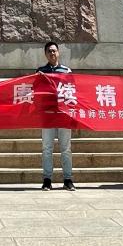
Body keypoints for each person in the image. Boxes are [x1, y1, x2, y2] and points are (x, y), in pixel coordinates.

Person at [36, 40, 74, 191]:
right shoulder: (41, 71)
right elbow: (36, 92)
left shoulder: (67, 71)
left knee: (66, 148)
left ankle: (68, 179)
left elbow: (73, 92)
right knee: (47, 148)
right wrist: (38, 79)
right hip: (47, 114)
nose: (52, 53)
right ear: (45, 54)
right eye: (49, 51)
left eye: (54, 51)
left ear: (58, 52)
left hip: (63, 114)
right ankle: (47, 179)